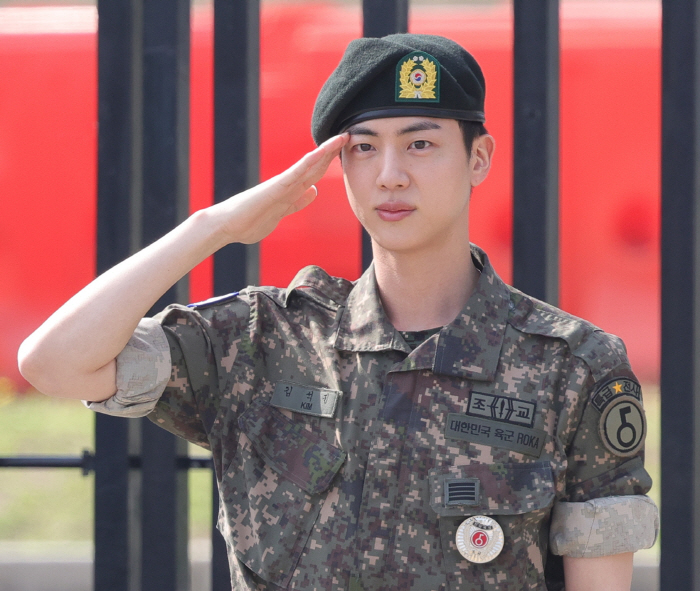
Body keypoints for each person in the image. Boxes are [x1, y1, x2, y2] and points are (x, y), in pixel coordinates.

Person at [19, 34, 658, 591]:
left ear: (479, 158)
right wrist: (212, 227)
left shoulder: (571, 367)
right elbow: (53, 363)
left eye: (421, 144)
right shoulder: (262, 341)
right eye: (364, 148)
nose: (390, 175)